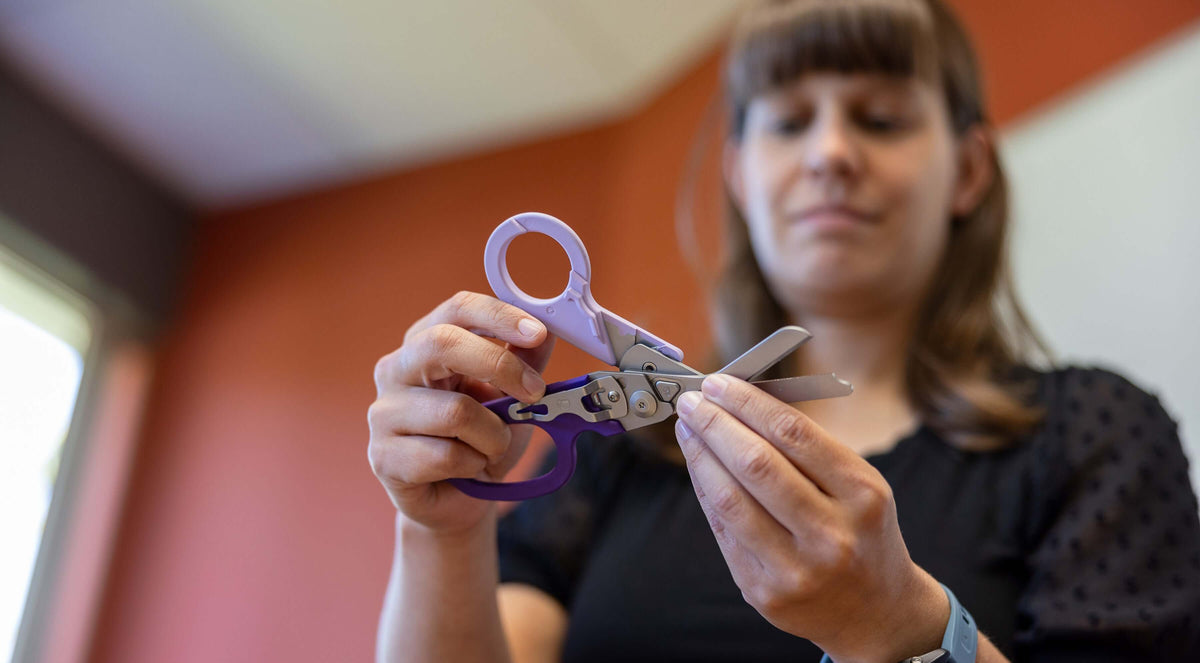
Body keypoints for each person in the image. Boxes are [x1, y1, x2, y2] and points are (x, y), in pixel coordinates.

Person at [367, 1, 1200, 661]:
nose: (830, 152)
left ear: (970, 170)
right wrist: (442, 528)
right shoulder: (622, 458)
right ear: (740, 176)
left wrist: (900, 633)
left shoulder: (1092, 435)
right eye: (790, 122)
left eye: (880, 119)